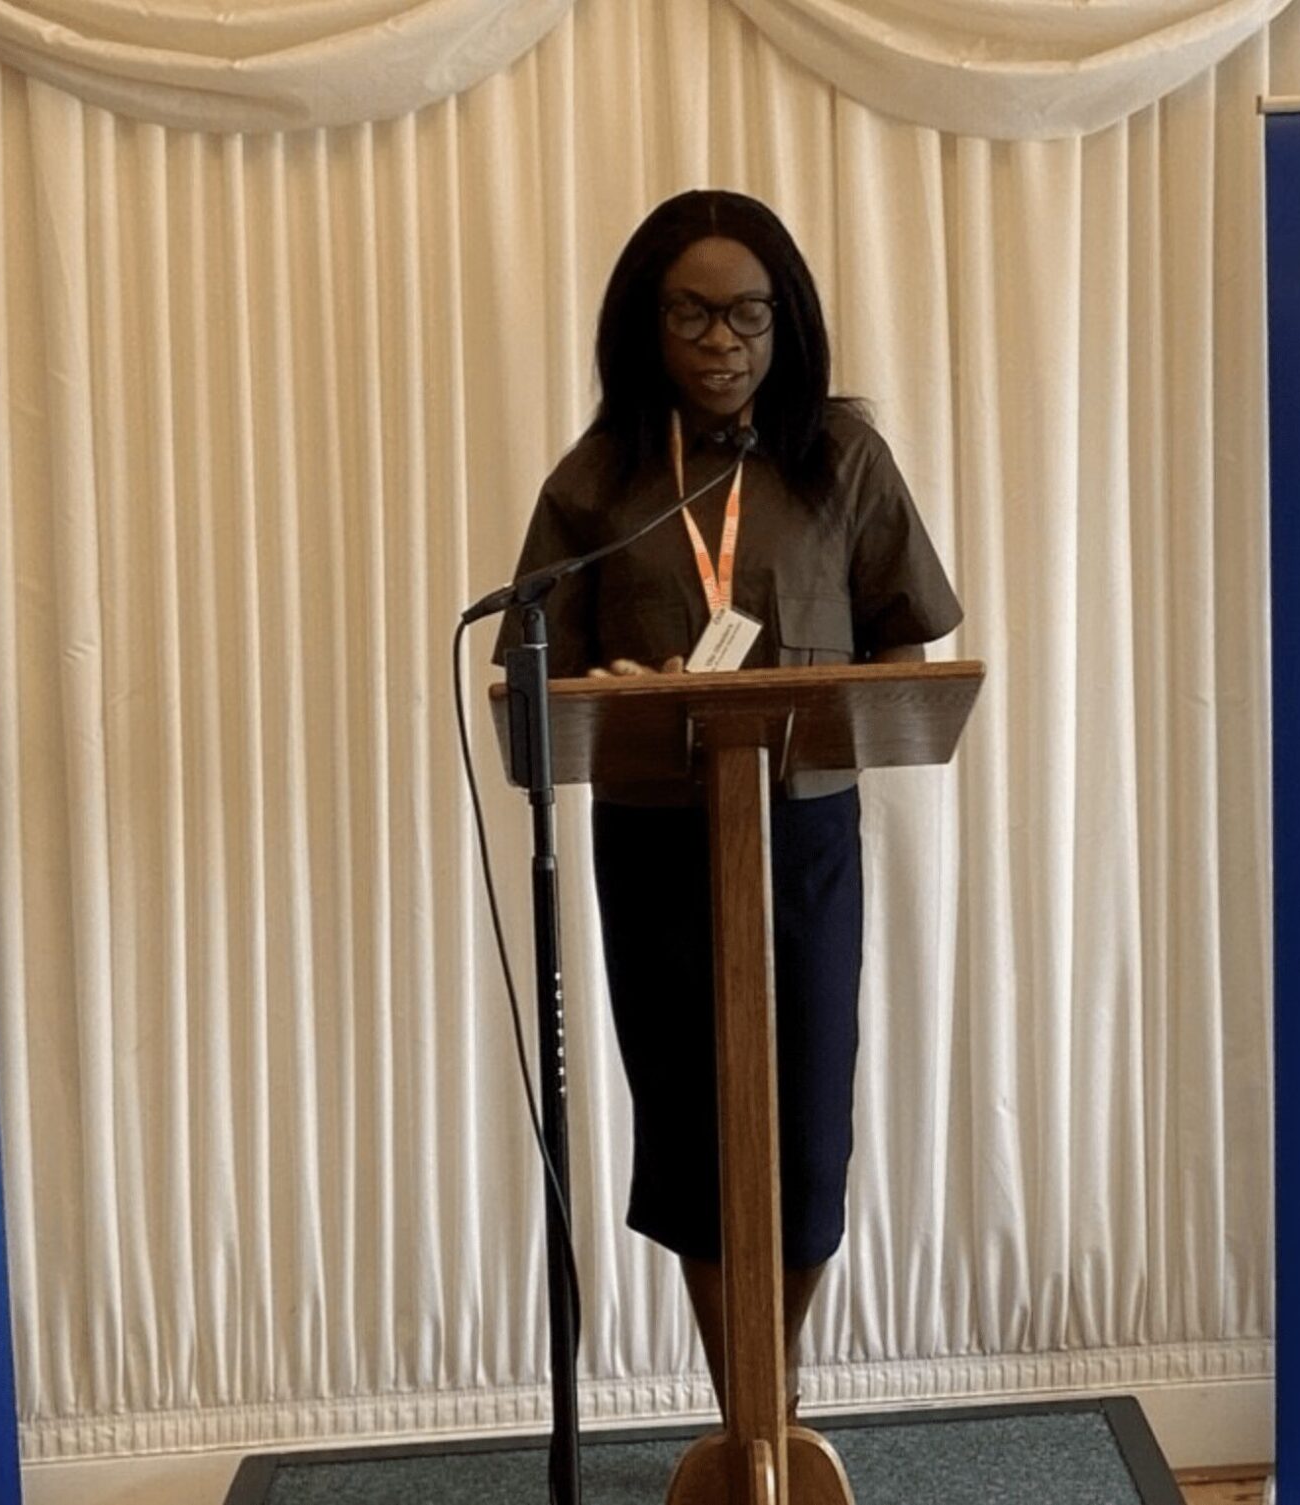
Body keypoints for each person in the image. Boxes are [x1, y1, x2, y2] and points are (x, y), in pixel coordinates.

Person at [494, 189, 962, 1422]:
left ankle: (772, 1407)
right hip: (655, 846)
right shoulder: (600, 481)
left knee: (802, 1138)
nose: (720, 341)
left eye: (747, 313)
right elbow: (544, 677)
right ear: (646, 325)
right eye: (692, 314)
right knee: (699, 1137)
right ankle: (745, 1413)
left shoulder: (842, 459)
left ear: (784, 322)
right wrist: (613, 689)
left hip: (802, 841)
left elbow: (911, 654)